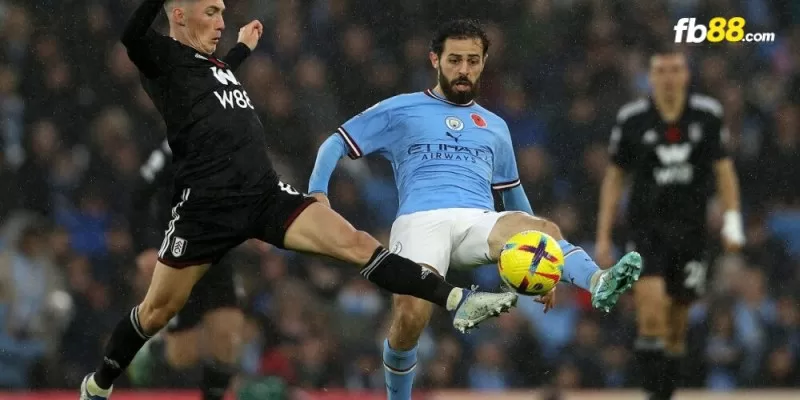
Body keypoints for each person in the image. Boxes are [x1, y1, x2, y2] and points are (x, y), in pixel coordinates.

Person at [79, 2, 518, 399]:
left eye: (222, 12)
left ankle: (457, 299)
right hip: (206, 210)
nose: (221, 21)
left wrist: (241, 52)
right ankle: (98, 384)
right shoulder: (160, 58)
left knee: (355, 242)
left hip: (265, 194)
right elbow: (132, 34)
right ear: (178, 15)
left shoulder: (210, 65)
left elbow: (208, 87)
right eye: (211, 12)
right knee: (156, 312)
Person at [308, 19, 643, 400]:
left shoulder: (496, 127)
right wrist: (317, 193)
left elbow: (514, 196)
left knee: (546, 228)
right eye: (454, 60)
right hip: (421, 221)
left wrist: (546, 263)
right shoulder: (401, 109)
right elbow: (334, 143)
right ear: (435, 59)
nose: (463, 69)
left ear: (484, 63)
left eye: (472, 60)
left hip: (476, 221)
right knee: (410, 317)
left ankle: (597, 282)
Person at [595, 46, 745, 400]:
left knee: (676, 325)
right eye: (661, 70)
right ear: (651, 76)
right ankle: (653, 394)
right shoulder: (632, 119)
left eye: (676, 69)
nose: (669, 77)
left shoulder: (708, 116)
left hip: (692, 233)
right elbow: (614, 178)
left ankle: (665, 392)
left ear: (686, 75)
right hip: (646, 230)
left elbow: (724, 172)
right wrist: (602, 236)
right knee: (651, 313)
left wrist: (732, 222)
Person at [126, 139, 245, 400]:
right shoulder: (172, 148)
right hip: (179, 256)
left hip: (216, 255)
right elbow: (138, 195)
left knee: (228, 335)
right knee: (183, 355)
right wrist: (144, 247)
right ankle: (153, 349)